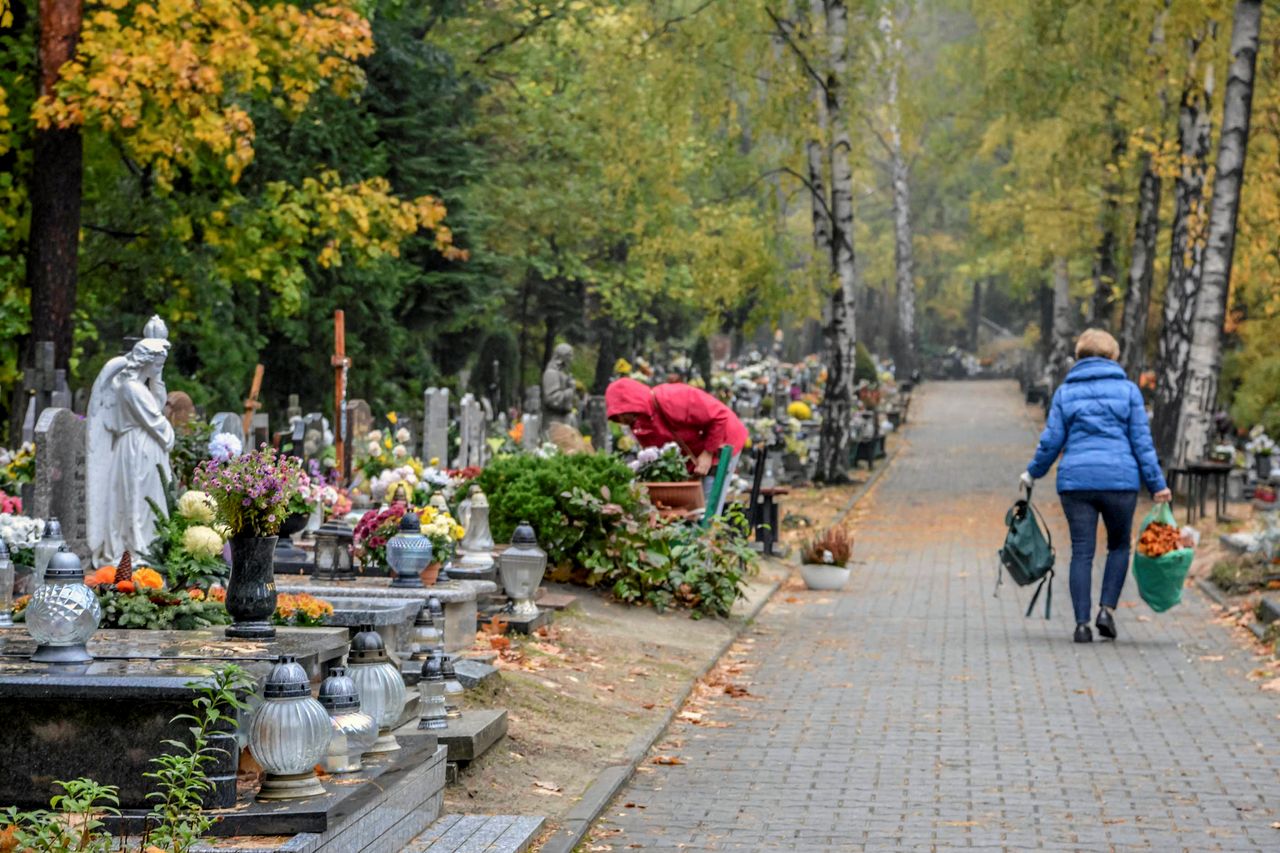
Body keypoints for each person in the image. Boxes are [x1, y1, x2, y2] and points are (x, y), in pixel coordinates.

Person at [1022, 329, 1171, 644]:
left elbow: (1051, 442)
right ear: (1113, 356)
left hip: (1076, 482)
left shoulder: (1065, 393)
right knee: (1118, 546)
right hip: (1120, 481)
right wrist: (1157, 484)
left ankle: (1080, 625)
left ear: (1079, 357)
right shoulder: (1129, 392)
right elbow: (1142, 443)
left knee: (1082, 551)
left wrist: (1032, 473)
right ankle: (1106, 610)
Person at [605, 377, 748, 515]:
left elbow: (719, 416)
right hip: (693, 456)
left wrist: (708, 453)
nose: (622, 420)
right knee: (692, 508)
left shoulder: (674, 397)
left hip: (722, 441)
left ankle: (708, 535)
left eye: (624, 414)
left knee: (707, 507)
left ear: (634, 403)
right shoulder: (639, 422)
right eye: (618, 417)